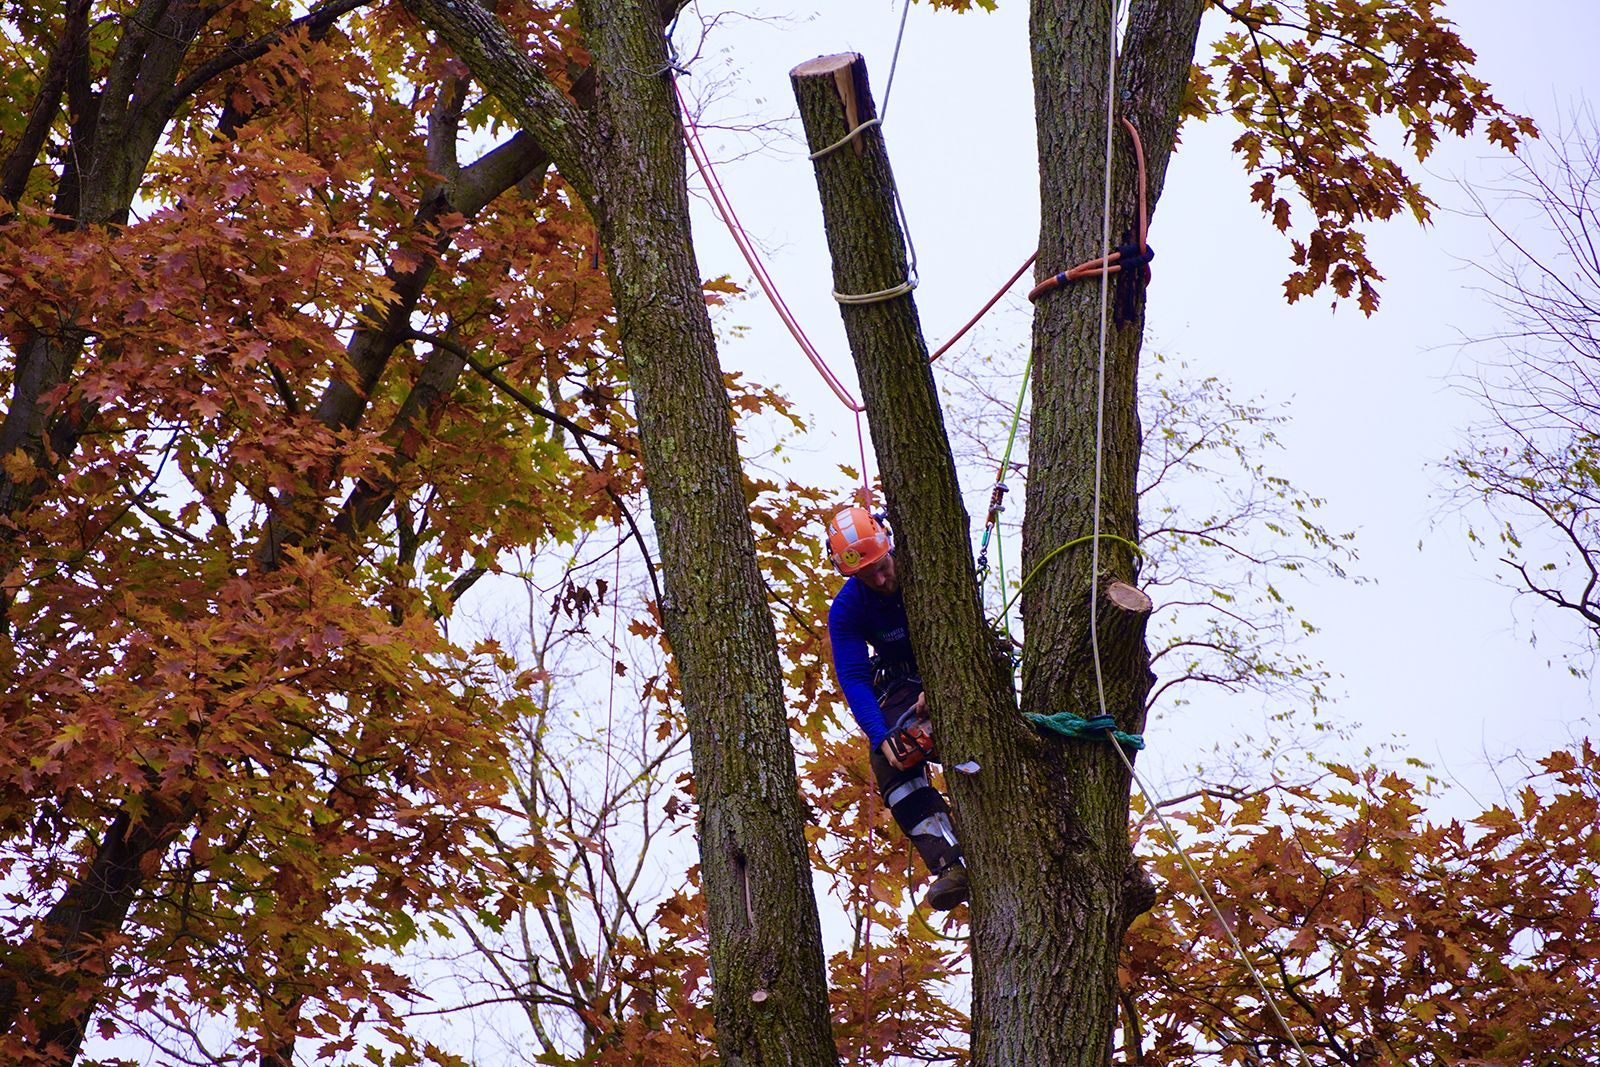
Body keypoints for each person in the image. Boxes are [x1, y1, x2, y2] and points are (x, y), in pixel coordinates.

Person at [824, 505, 969, 911]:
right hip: (903, 682)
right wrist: (881, 734)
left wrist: (941, 684)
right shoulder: (849, 609)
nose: (881, 579)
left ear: (889, 546)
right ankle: (949, 862)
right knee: (890, 761)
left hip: (960, 668)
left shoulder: (927, 565)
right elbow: (853, 677)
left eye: (883, 567)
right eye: (866, 576)